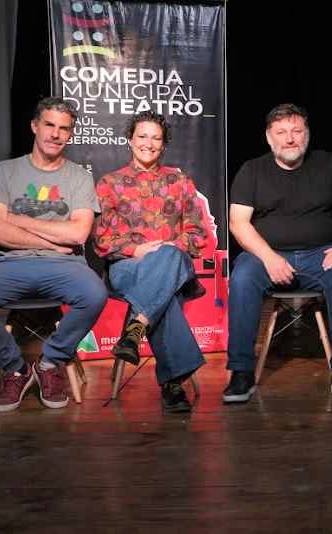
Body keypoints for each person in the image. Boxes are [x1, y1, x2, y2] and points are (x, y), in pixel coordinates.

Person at [0, 97, 108, 412]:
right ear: (35, 126)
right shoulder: (4, 171)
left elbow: (78, 234)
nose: (56, 134)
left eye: (64, 128)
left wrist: (17, 219)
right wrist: (52, 241)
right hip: (9, 262)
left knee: (94, 295)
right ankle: (14, 368)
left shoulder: (79, 177)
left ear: (70, 134)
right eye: (49, 125)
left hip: (65, 265)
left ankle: (50, 363)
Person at [224, 103, 332, 404]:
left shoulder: (327, 164)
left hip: (319, 255)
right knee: (242, 277)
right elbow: (238, 223)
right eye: (281, 132)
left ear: (307, 134)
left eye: (297, 131)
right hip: (265, 256)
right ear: (269, 137)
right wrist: (269, 258)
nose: (290, 139)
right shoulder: (252, 170)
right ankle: (241, 371)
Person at [94, 110, 210, 413]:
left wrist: (170, 247)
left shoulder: (181, 181)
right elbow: (101, 239)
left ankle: (136, 327)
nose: (149, 143)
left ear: (164, 144)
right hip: (127, 267)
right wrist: (137, 250)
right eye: (142, 136)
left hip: (175, 265)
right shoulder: (109, 183)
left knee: (168, 257)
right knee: (165, 297)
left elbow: (198, 234)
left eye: (156, 138)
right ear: (130, 140)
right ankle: (173, 385)